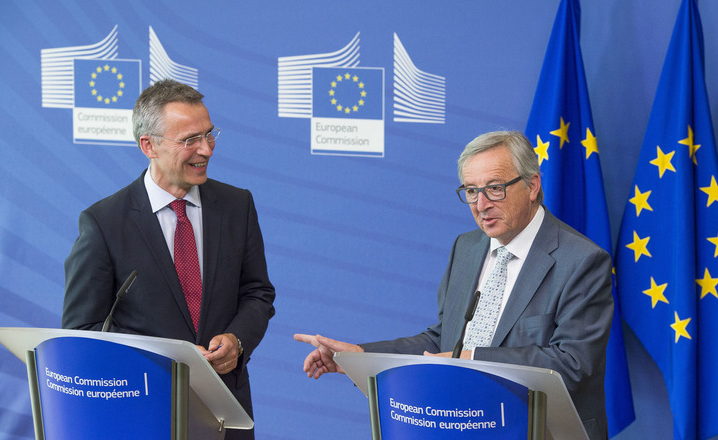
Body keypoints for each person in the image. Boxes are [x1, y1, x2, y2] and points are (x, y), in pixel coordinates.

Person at [295, 130, 613, 440]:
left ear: (532, 186)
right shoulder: (467, 247)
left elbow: (572, 364)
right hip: (461, 424)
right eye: (471, 191)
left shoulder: (582, 261)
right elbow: (443, 341)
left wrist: (470, 361)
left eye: (495, 188)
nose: (481, 204)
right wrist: (360, 357)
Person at [62, 79, 275, 440]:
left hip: (223, 413)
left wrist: (237, 341)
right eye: (190, 140)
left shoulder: (238, 206)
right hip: (141, 415)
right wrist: (164, 356)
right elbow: (82, 331)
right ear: (149, 145)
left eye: (209, 135)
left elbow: (257, 293)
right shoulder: (104, 223)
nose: (206, 150)